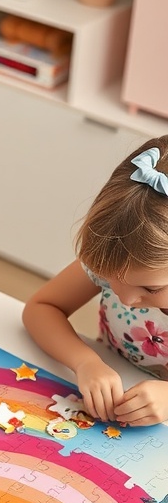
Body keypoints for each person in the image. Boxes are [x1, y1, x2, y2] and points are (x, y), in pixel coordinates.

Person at [23, 136, 168, 428]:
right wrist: (85, 362)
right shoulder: (117, 256)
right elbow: (41, 307)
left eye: (150, 289)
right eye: (110, 277)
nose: (125, 299)